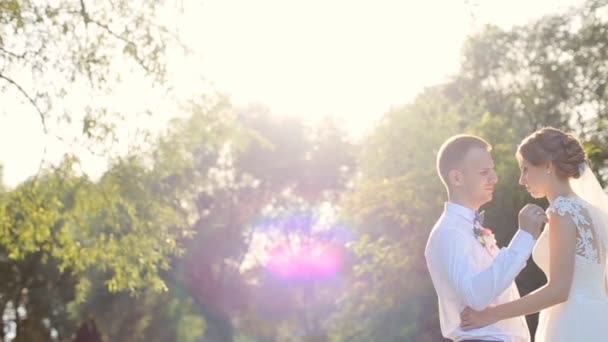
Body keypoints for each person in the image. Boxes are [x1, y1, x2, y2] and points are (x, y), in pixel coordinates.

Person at [460, 127, 608, 341]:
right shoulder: (593, 212)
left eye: (526, 169)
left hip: (573, 323)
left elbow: (558, 290)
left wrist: (491, 315)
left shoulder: (562, 211)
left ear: (548, 166)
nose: (521, 179)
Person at [425, 134, 546, 342]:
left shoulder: (470, 227)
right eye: (483, 172)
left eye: (492, 170)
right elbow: (476, 296)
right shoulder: (449, 232)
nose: (494, 178)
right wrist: (524, 238)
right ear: (456, 178)